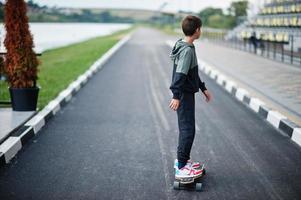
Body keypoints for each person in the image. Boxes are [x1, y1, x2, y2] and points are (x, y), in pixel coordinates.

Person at [169, 15, 212, 179]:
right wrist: (176, 95)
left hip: (186, 93)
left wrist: (202, 87)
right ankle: (181, 166)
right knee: (188, 130)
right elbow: (180, 74)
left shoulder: (185, 45)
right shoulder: (187, 50)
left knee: (187, 128)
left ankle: (183, 161)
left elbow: (190, 73)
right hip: (184, 95)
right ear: (197, 30)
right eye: (201, 28)